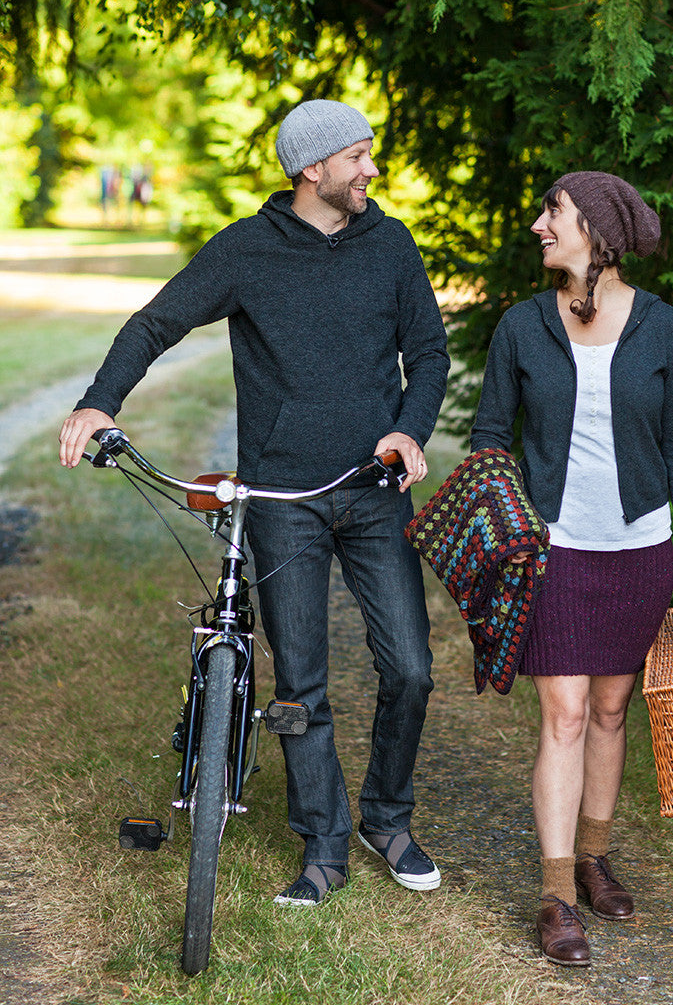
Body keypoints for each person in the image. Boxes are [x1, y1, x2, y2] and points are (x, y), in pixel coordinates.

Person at [59, 99, 450, 906]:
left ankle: (388, 817)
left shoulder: (391, 244)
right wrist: (101, 401)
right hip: (281, 498)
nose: (372, 169)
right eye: (358, 157)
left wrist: (410, 431)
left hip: (375, 491)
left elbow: (431, 352)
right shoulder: (247, 249)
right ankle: (324, 846)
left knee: (410, 668)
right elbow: (155, 321)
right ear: (313, 170)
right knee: (301, 683)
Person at [470, 171, 673, 966]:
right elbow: (490, 437)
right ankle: (557, 893)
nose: (539, 225)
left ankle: (597, 854)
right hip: (554, 549)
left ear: (596, 232)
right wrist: (503, 532)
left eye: (553, 213)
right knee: (565, 714)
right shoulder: (522, 327)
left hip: (639, 548)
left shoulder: (664, 329)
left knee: (611, 709)